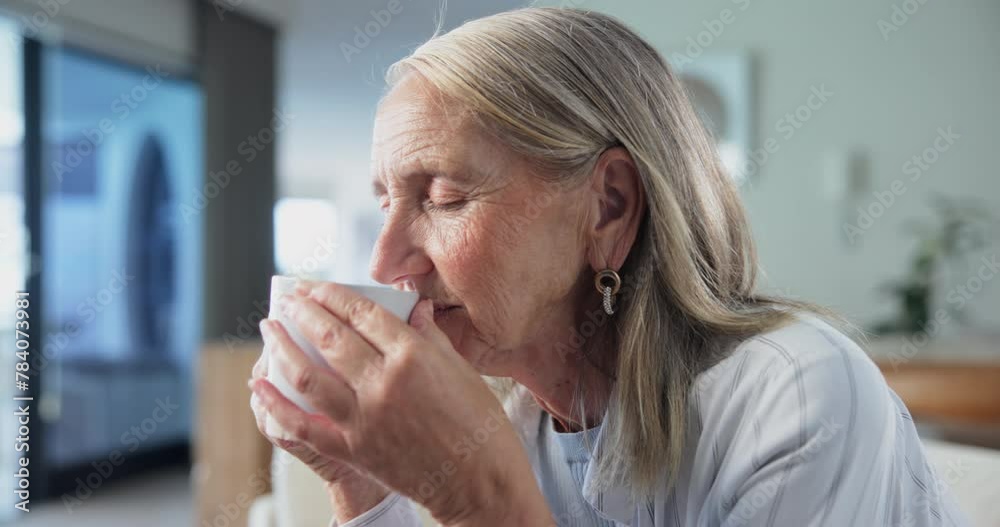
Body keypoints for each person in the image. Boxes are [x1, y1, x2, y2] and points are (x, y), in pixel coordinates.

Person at [249, 7, 968, 526]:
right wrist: (359, 484)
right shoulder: (515, 423)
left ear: (609, 206)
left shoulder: (795, 399)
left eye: (441, 197)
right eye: (385, 204)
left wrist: (485, 503)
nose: (386, 259)